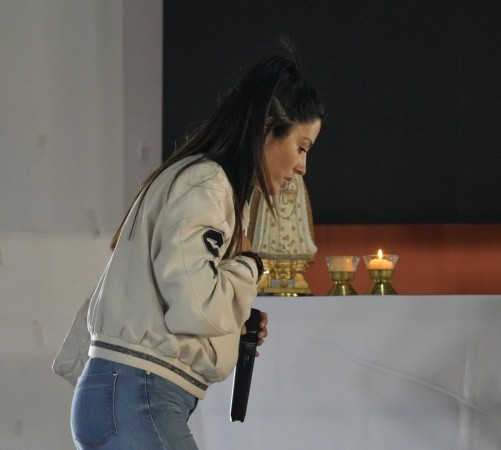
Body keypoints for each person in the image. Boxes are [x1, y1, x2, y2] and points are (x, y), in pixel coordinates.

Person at [69, 45, 324, 449]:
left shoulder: (203, 183)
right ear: (266, 128)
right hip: (140, 397)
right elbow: (195, 305)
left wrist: (235, 322)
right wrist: (248, 266)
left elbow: (178, 298)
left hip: (132, 395)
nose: (302, 167)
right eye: (302, 147)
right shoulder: (206, 184)